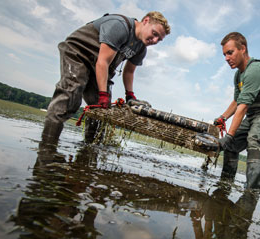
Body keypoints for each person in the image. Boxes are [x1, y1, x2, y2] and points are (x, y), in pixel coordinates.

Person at [41, 11, 170, 144]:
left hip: (101, 67)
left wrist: (130, 96)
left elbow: (129, 72)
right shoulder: (120, 26)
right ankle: (47, 147)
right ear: (146, 21)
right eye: (154, 34)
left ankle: (91, 150)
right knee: (71, 95)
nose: (154, 40)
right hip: (79, 54)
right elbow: (103, 61)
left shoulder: (141, 48)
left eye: (159, 39)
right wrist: (103, 93)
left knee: (102, 111)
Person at [214, 32, 260, 189]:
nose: (226, 58)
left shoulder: (255, 69)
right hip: (253, 114)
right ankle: (225, 183)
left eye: (230, 53)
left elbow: (243, 107)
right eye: (224, 54)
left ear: (242, 49)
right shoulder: (238, 75)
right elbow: (237, 101)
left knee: (255, 139)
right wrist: (223, 118)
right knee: (232, 145)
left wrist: (229, 135)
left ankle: (252, 190)